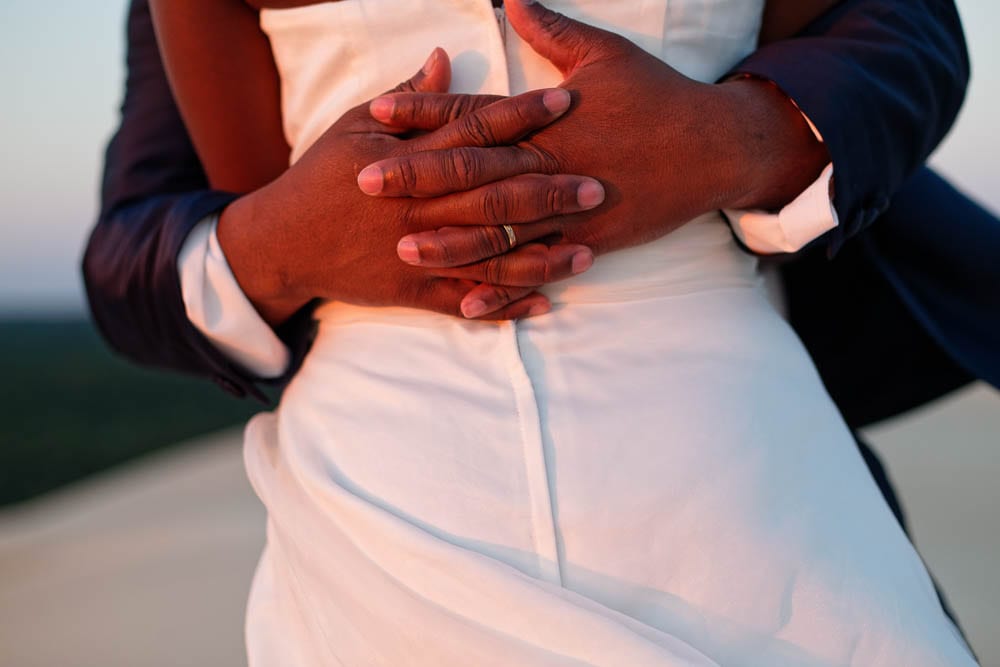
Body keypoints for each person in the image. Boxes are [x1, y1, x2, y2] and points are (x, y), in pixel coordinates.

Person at [103, 0, 982, 664]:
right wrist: (281, 242)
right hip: (381, 495)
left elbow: (906, 34)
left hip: (744, 470)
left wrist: (734, 138)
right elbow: (140, 238)